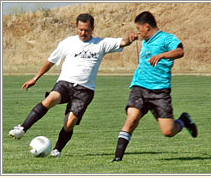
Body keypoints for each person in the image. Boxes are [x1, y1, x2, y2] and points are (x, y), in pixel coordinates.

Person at [8, 13, 138, 157]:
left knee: (69, 124)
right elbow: (51, 61)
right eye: (80, 29)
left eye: (86, 30)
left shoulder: (101, 43)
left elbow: (122, 42)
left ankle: (57, 149)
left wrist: (130, 38)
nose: (83, 33)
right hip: (65, 83)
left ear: (92, 28)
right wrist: (35, 78)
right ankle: (22, 129)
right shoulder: (67, 42)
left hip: (85, 90)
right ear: (77, 28)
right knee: (50, 99)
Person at [112, 11, 198, 162]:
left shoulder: (167, 38)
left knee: (168, 131)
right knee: (132, 119)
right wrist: (130, 38)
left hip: (160, 91)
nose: (138, 31)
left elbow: (180, 51)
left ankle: (184, 120)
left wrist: (162, 55)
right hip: (139, 86)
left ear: (147, 26)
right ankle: (117, 159)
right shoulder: (144, 39)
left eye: (139, 28)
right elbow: (126, 41)